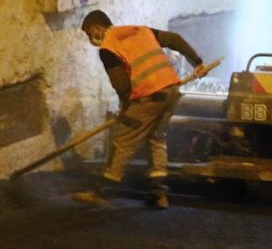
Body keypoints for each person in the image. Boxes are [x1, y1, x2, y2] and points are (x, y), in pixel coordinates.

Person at [74, 10, 210, 209]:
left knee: (123, 141)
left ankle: (100, 191)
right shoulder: (141, 30)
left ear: (97, 28)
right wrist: (197, 62)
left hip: (148, 96)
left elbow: (121, 85)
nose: (90, 38)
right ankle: (158, 193)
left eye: (88, 33)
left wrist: (125, 108)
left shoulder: (108, 47)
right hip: (171, 90)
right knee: (156, 139)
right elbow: (175, 39)